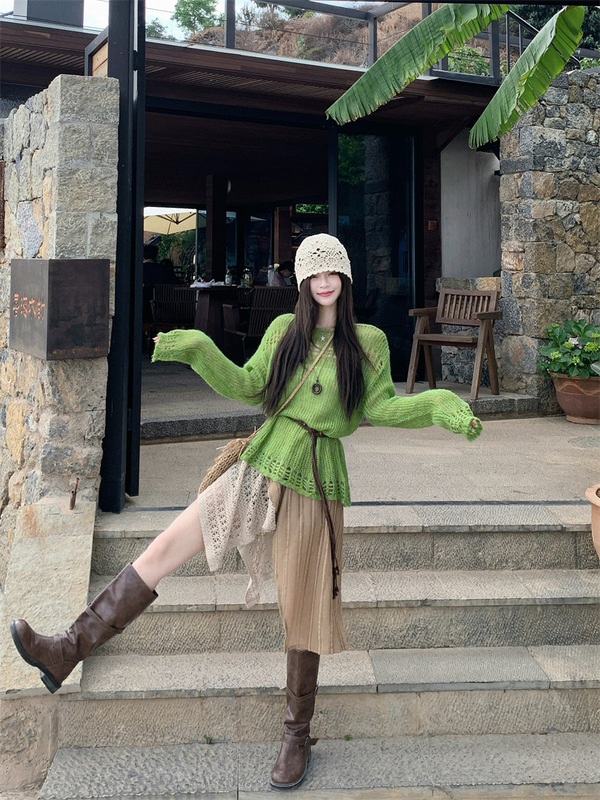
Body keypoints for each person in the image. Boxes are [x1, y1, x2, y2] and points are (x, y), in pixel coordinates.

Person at [10, 234, 482, 790]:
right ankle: (67, 649)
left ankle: (296, 735)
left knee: (303, 609)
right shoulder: (284, 332)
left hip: (316, 478)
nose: (323, 282)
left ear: (345, 278)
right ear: (301, 281)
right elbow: (247, 384)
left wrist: (438, 404)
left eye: (332, 272)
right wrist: (198, 348)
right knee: (167, 546)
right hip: (261, 464)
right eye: (313, 273)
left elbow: (381, 408)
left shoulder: (368, 342)